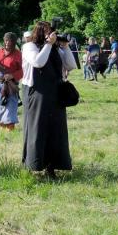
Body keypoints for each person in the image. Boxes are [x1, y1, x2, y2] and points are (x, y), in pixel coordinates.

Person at [22, 21, 77, 177]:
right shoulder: (29, 47)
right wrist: (48, 44)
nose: (51, 36)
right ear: (40, 33)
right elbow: (38, 62)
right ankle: (35, 164)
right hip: (37, 95)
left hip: (55, 95)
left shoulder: (55, 49)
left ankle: (52, 167)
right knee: (38, 130)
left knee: (55, 132)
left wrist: (65, 47)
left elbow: (71, 65)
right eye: (48, 33)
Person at [0, 32, 23, 130]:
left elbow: (23, 70)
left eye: (10, 41)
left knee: (10, 106)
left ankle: (10, 127)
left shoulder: (18, 54)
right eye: (6, 40)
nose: (7, 43)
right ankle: (2, 127)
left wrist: (12, 75)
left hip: (10, 85)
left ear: (14, 42)